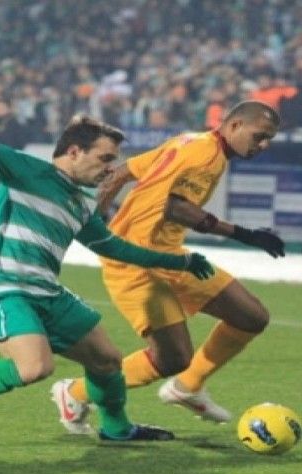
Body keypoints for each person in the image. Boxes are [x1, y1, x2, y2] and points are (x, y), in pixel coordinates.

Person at [0, 93, 215, 447]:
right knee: (35, 368)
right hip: (1, 288)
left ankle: (116, 429)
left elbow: (114, 248)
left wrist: (181, 261)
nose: (110, 169)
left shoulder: (81, 202)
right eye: (105, 158)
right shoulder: (26, 171)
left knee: (107, 360)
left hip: (46, 292)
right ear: (74, 152)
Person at [51, 101, 285, 434]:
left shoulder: (189, 141)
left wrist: (97, 217)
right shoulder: (204, 156)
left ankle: (188, 386)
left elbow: (124, 171)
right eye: (259, 136)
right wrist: (245, 234)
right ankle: (74, 393)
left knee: (251, 316)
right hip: (135, 262)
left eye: (269, 139)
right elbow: (176, 208)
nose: (263, 145)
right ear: (234, 126)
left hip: (170, 254)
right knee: (172, 358)